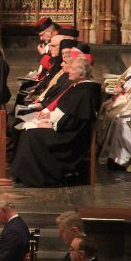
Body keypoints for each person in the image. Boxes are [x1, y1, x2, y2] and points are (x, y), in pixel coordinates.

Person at [11, 57, 102, 187]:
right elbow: (66, 111)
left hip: (70, 137)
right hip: (64, 128)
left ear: (82, 74)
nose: (68, 71)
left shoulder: (85, 92)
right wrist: (48, 116)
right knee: (27, 128)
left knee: (31, 135)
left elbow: (74, 122)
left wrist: (52, 125)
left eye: (73, 69)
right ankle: (22, 174)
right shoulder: (78, 87)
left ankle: (36, 177)